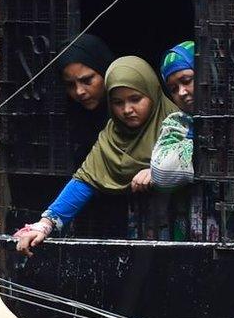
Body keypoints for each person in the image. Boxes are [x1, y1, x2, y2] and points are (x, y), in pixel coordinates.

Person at [14, 56, 177, 255]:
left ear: (152, 92)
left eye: (135, 99)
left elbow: (194, 161)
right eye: (117, 102)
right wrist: (44, 225)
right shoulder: (111, 135)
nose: (126, 110)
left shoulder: (178, 124)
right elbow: (85, 179)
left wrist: (160, 171)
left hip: (184, 230)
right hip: (140, 234)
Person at [55, 34, 116, 167]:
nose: (79, 91)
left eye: (87, 80)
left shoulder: (127, 113)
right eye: (70, 85)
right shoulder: (72, 119)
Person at [151, 40, 195, 189]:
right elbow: (162, 173)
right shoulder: (178, 123)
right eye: (173, 89)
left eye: (187, 81)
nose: (181, 92)